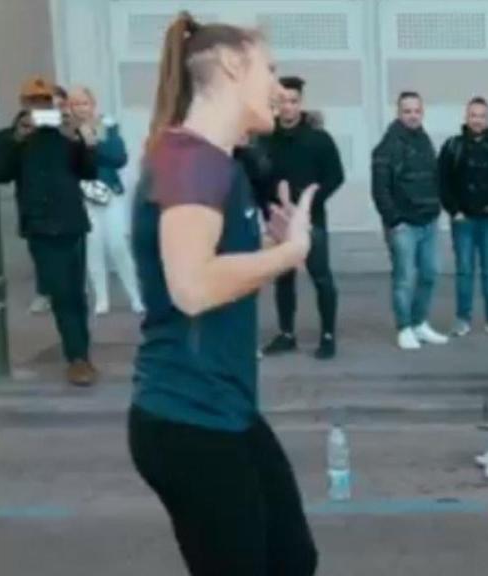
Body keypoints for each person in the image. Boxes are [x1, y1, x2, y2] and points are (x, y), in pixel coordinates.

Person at [128, 12, 318, 575]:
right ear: (234, 66)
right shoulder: (192, 160)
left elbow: (199, 261)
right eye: (271, 69)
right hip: (188, 419)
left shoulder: (211, 162)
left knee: (292, 559)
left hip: (222, 408)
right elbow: (190, 287)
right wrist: (288, 255)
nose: (280, 88)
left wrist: (264, 244)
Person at [0, 76, 98, 386]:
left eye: (45, 102)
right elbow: (1, 174)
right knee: (61, 293)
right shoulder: (8, 137)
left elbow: (89, 171)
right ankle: (77, 358)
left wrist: (83, 139)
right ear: (24, 104)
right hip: (40, 226)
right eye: (34, 102)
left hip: (72, 223)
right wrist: (17, 138)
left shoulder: (64, 134)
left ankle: (81, 354)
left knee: (77, 293)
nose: (40, 107)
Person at [259, 76, 344, 360]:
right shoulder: (266, 139)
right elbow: (258, 178)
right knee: (283, 278)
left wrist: (309, 203)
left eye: (293, 101)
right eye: (282, 101)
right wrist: (272, 206)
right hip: (280, 220)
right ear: (275, 103)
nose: (288, 108)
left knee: (321, 278)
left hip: (312, 220)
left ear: (301, 103)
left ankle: (328, 336)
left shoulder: (318, 139)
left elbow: (335, 176)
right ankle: (286, 334)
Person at [371, 91, 448, 350]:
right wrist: (394, 220)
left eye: (416, 110)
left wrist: (437, 208)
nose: (412, 115)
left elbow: (434, 177)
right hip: (404, 225)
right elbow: (380, 189)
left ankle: (419, 323)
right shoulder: (387, 146)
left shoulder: (424, 140)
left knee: (428, 274)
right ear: (398, 113)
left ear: (422, 112)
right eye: (407, 111)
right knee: (405, 278)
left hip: (428, 221)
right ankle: (404, 328)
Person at [439, 96, 488, 338]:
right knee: (464, 271)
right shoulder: (453, 146)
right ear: (466, 117)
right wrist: (454, 210)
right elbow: (442, 182)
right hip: (463, 221)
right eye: (473, 115)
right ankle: (462, 319)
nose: (477, 120)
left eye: (482, 116)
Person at [66, 86, 145, 316]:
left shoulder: (107, 126)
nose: (81, 108)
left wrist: (94, 143)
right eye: (75, 104)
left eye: (84, 102)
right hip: (83, 195)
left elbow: (119, 157)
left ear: (93, 104)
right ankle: (102, 298)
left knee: (118, 244)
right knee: (94, 246)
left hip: (109, 192)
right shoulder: (68, 132)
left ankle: (135, 296)